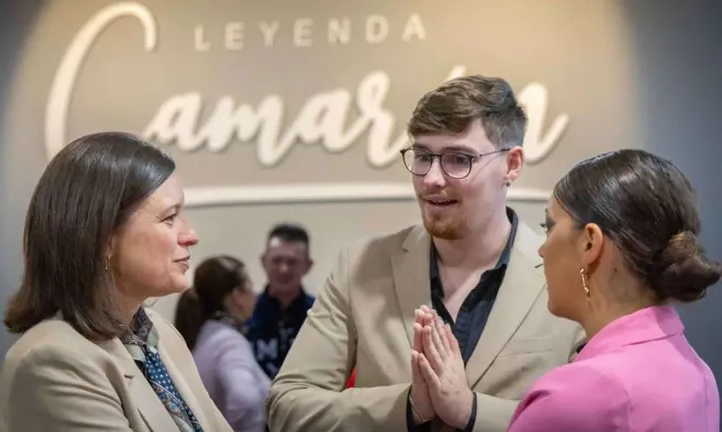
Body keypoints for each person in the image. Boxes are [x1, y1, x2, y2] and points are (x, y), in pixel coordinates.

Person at [265, 75, 584, 432]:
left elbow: (594, 423)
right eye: (422, 156)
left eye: (459, 159)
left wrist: (472, 411)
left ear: (512, 165)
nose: (431, 178)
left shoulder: (571, 274)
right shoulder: (360, 267)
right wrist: (408, 406)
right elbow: (286, 406)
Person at [0, 132, 232, 432]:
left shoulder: (160, 334)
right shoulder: (53, 362)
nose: (190, 234)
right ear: (104, 237)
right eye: (169, 218)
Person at [501, 149, 720, 431]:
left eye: (549, 226)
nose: (542, 250)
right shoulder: (695, 369)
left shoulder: (575, 399)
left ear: (590, 243)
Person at [174, 256, 271, 432]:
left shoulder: (203, 335)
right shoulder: (229, 342)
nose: (255, 295)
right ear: (237, 296)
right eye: (250, 287)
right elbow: (245, 400)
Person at [246, 223, 315, 379]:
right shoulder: (243, 316)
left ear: (308, 266)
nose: (284, 269)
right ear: (264, 261)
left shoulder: (321, 315)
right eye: (277, 260)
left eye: (292, 262)